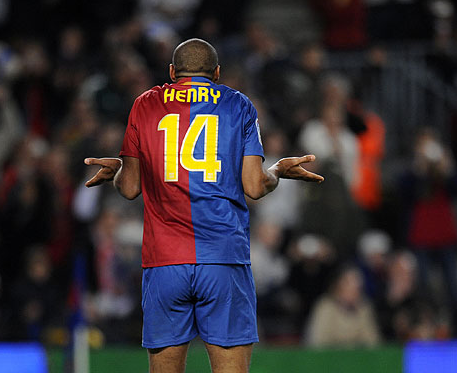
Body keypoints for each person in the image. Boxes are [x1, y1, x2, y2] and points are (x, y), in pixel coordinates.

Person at [83, 38, 324, 373]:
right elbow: (255, 186)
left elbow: (130, 188)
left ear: (172, 72)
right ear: (217, 73)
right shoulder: (238, 105)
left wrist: (118, 171)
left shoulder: (145, 104)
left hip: (165, 262)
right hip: (223, 258)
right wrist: (278, 171)